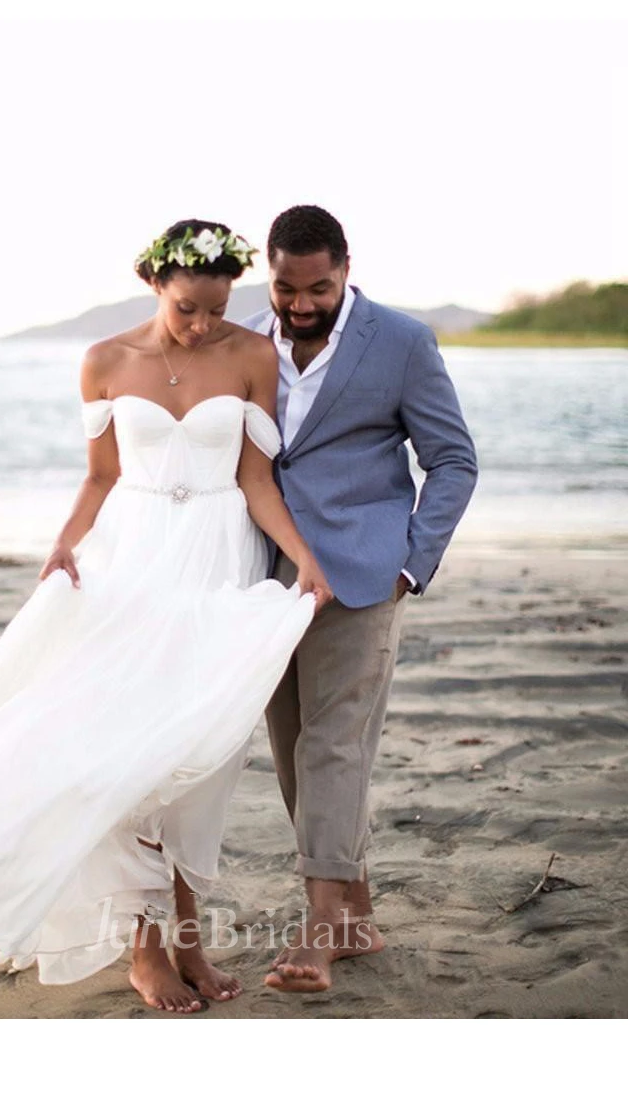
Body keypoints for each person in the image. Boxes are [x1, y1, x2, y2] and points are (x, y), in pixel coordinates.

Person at [0, 218, 332, 1014]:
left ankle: (191, 938)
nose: (203, 324)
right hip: (127, 561)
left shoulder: (250, 355)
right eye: (188, 308)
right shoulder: (103, 361)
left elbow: (256, 479)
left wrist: (302, 556)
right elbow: (100, 477)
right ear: (155, 283)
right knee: (113, 748)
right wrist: (64, 547)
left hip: (214, 555)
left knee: (192, 756)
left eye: (216, 306)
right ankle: (145, 949)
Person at [240, 205, 478, 993]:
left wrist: (411, 563)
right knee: (292, 755)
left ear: (346, 267)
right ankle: (354, 912)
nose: (301, 304)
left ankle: (318, 931)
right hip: (263, 581)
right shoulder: (242, 341)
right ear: (267, 274)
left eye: (318, 287)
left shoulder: (402, 342)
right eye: (285, 287)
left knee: (333, 748)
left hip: (363, 578)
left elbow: (453, 460)